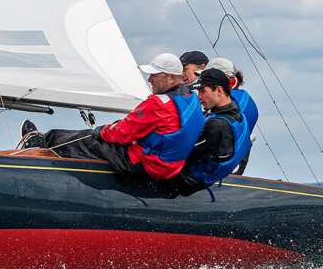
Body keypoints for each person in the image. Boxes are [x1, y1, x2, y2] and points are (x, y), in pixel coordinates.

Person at [19, 53, 205, 180]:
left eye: (154, 76)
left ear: (171, 78)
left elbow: (120, 134)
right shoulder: (191, 100)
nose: (149, 80)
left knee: (81, 139)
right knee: (96, 137)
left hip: (145, 164)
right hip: (171, 165)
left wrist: (101, 132)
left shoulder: (158, 103)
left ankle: (38, 147)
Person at [167, 67, 256, 195]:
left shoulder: (216, 126)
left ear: (219, 90)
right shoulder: (238, 114)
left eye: (203, 91)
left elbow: (181, 154)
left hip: (187, 183)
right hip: (211, 178)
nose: (200, 97)